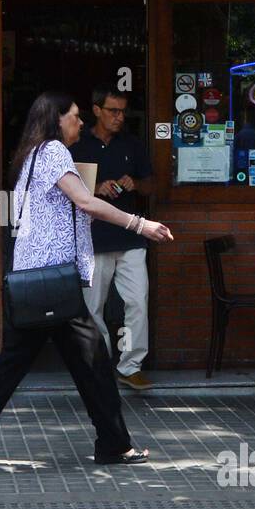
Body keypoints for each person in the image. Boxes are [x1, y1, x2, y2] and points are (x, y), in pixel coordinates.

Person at [0, 92, 174, 473]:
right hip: (50, 282)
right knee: (33, 365)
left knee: (90, 361)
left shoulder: (33, 154)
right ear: (56, 119)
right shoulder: (52, 151)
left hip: (43, 279)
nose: (80, 123)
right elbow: (86, 203)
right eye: (75, 116)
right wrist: (140, 224)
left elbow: (65, 211)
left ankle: (113, 443)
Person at [69, 88, 156, 390]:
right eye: (112, 111)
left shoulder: (132, 144)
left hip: (130, 236)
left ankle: (130, 366)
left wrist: (135, 184)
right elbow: (63, 192)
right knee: (93, 307)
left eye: (122, 112)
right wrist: (93, 190)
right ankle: (100, 366)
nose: (119, 117)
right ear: (96, 110)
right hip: (92, 237)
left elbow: (150, 186)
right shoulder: (77, 145)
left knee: (137, 301)